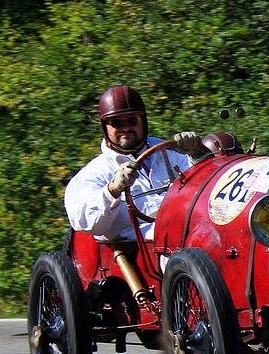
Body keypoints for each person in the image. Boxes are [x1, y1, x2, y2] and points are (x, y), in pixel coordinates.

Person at [64, 85, 205, 241]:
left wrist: (197, 153)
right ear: (104, 127)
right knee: (177, 235)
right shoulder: (93, 173)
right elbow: (84, 222)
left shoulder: (172, 151)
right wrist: (112, 190)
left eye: (132, 120)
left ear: (143, 121)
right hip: (138, 245)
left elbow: (206, 187)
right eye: (116, 123)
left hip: (190, 226)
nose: (126, 128)